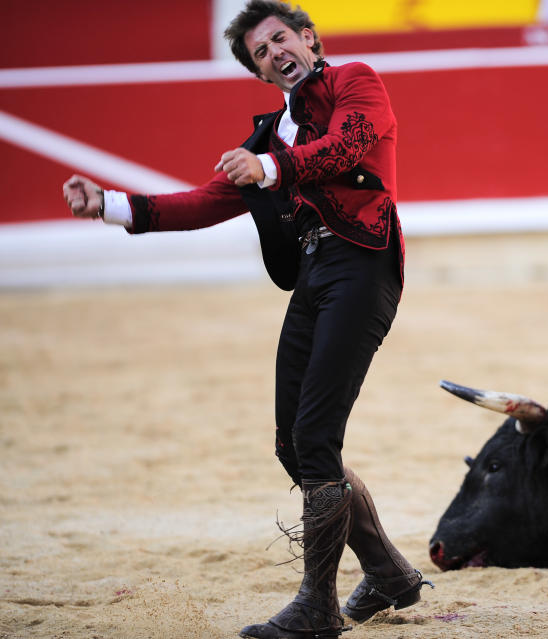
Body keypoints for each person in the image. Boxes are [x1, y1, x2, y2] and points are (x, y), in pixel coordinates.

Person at [61, 2, 430, 637]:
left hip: (364, 265)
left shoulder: (356, 81)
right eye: (260, 52)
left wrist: (271, 168)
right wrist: (109, 205)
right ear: (259, 73)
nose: (274, 52)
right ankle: (390, 575)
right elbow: (205, 202)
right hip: (315, 276)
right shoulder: (269, 138)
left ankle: (317, 606)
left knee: (315, 438)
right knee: (295, 445)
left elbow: (350, 145)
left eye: (280, 38)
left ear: (308, 39)